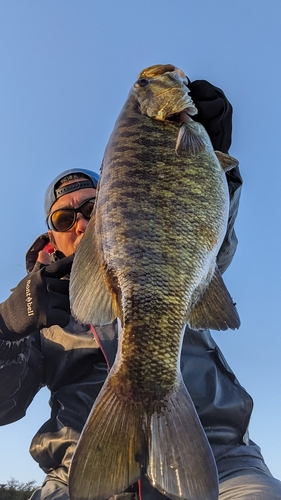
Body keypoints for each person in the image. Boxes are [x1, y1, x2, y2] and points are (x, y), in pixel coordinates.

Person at [0, 79, 281, 500]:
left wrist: (216, 173)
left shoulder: (176, 259)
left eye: (93, 207)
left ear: (115, 207)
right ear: (51, 236)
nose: (79, 223)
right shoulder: (34, 309)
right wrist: (6, 328)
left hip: (220, 460)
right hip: (81, 473)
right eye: (63, 218)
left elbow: (206, 240)